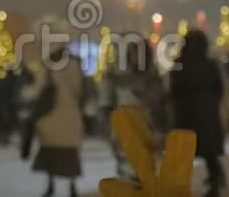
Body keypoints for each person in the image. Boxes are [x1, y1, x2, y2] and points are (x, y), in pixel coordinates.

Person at [21, 45, 87, 197]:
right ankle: (72, 186)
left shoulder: (48, 66)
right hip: (72, 115)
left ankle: (50, 185)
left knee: (51, 152)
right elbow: (80, 90)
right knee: (70, 154)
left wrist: (24, 93)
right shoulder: (75, 65)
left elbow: (37, 89)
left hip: (52, 115)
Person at [99, 37, 168, 180]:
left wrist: (160, 129)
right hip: (124, 128)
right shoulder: (114, 75)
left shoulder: (152, 75)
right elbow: (106, 103)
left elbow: (160, 103)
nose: (137, 56)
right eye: (134, 52)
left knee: (147, 171)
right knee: (128, 170)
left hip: (148, 129)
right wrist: (109, 125)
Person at [170, 30, 226, 197]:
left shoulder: (180, 65)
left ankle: (179, 185)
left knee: (185, 153)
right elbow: (219, 89)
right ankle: (215, 180)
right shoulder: (210, 65)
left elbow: (174, 90)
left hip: (186, 114)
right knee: (209, 152)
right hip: (208, 114)